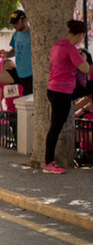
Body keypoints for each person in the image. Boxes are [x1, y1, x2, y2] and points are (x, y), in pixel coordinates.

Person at [43, 19, 91, 174]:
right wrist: (83, 60)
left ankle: (49, 162)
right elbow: (85, 69)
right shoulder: (70, 49)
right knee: (55, 128)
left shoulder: (57, 45)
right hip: (62, 92)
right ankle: (48, 163)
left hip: (56, 89)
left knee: (55, 127)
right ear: (81, 34)